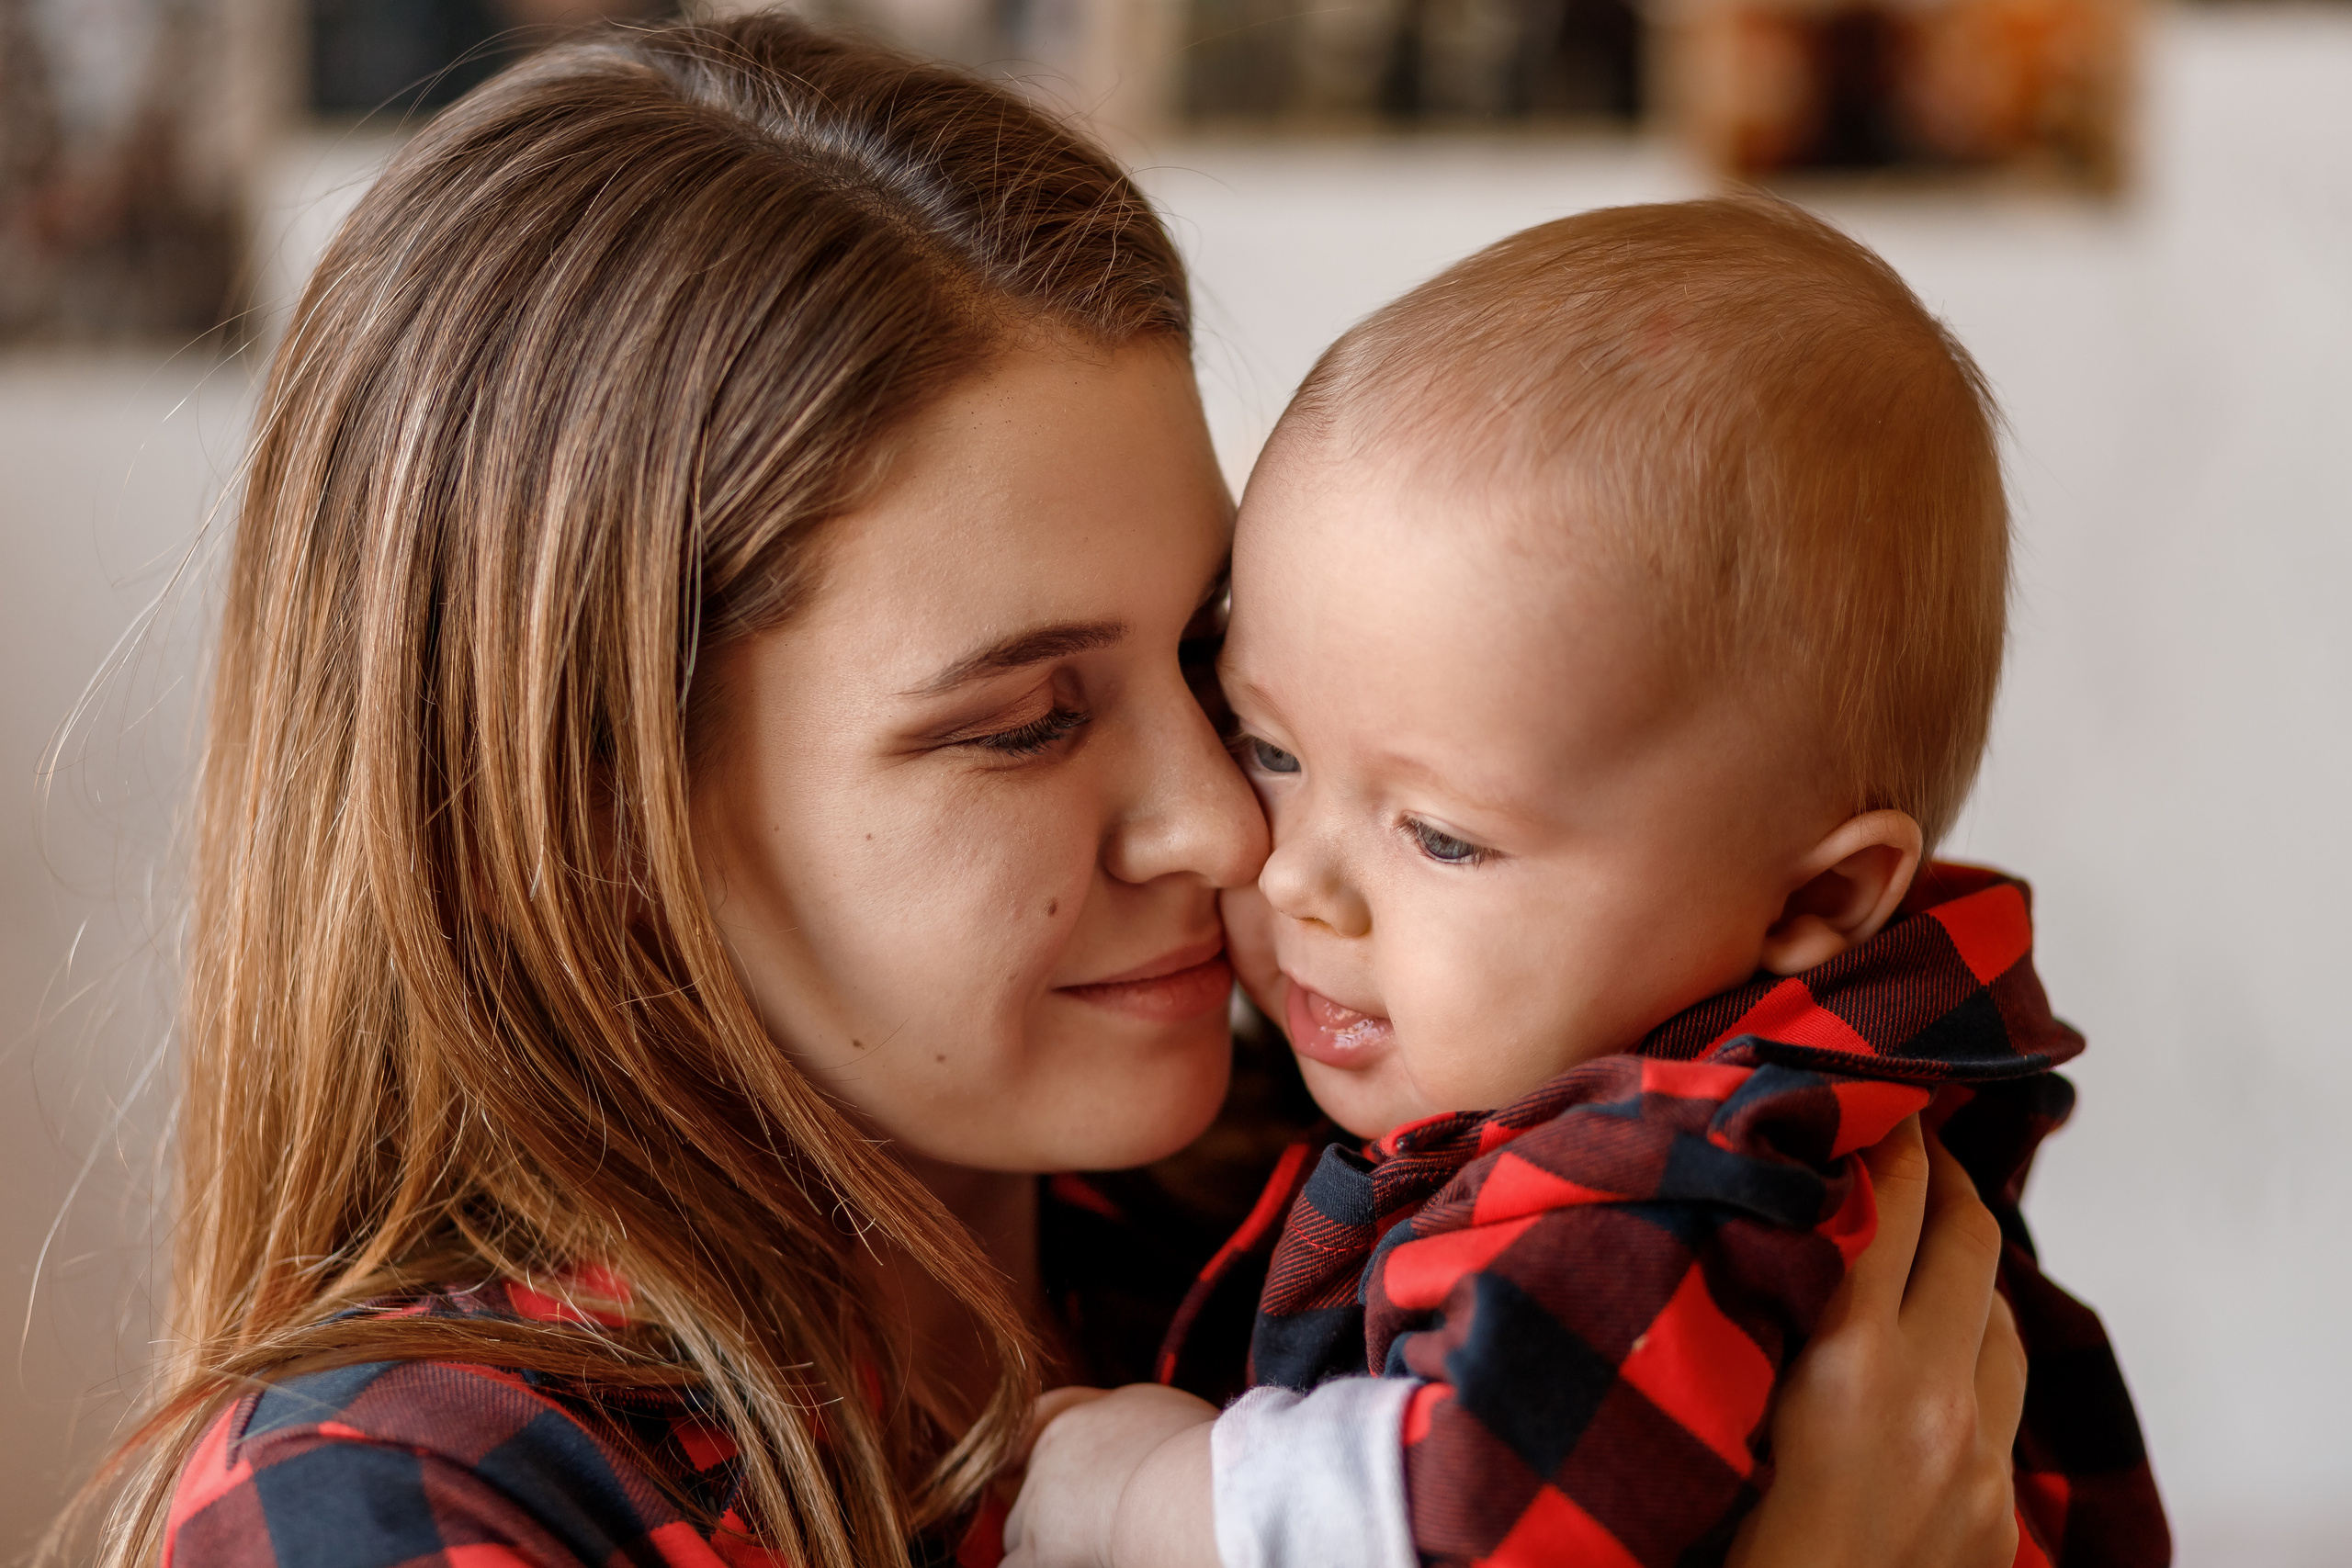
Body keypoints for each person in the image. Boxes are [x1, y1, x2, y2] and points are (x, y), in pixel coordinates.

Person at [66, 21, 2025, 1568]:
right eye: (1021, 721)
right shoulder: (404, 1497)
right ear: (588, 807)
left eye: (1206, 668)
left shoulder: (1355, 1189)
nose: (1230, 830)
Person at [1006, 201, 2169, 1568]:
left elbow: (1474, 1517)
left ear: (1818, 907)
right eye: (1270, 748)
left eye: (1440, 838)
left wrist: (1144, 1492)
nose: (1295, 877)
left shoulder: (1685, 1190)